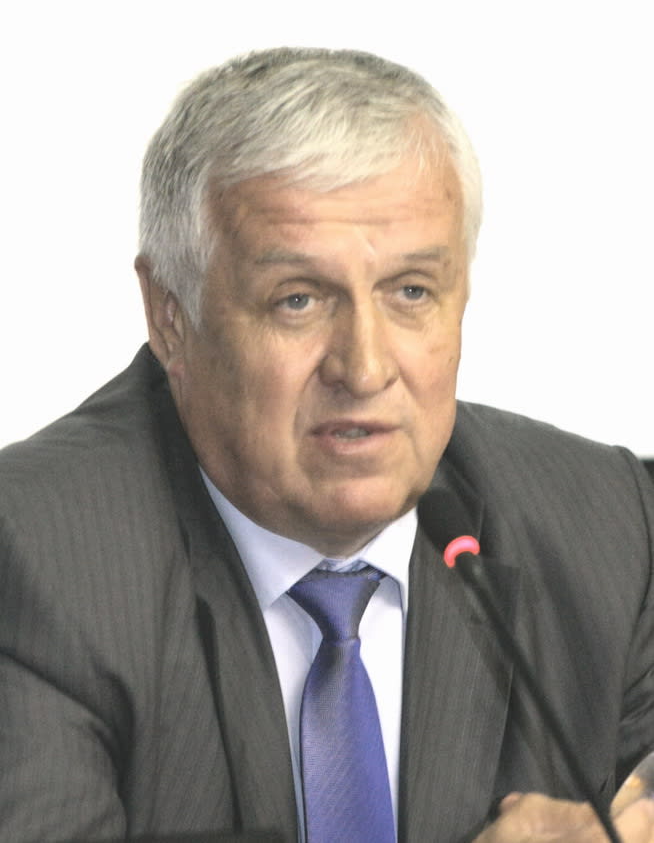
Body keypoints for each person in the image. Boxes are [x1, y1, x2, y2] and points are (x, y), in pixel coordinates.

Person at [1, 47, 653, 843]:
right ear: (171, 317)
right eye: (299, 301)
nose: (366, 368)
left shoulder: (608, 526)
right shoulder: (35, 555)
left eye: (411, 291)